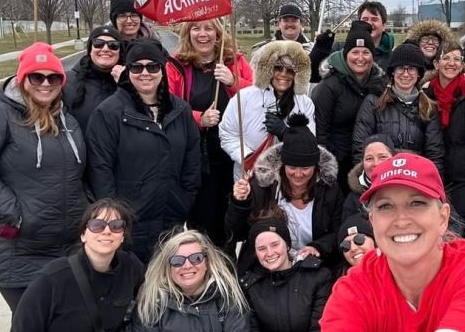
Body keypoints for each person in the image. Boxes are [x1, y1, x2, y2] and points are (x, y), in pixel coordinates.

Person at [0, 42, 88, 312]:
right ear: (22, 79)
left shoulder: (67, 121)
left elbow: (78, 173)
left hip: (63, 244)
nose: (45, 83)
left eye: (53, 77)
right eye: (36, 76)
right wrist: (17, 214)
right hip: (16, 247)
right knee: (32, 321)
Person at [320, 153, 465, 331]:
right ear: (372, 222)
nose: (401, 220)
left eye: (417, 203)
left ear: (443, 218)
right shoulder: (354, 289)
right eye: (386, 206)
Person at [87, 39, 201, 262]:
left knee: (167, 284)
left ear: (162, 70)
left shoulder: (180, 110)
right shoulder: (109, 113)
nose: (145, 73)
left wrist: (185, 197)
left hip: (171, 217)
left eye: (153, 66)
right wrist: (115, 216)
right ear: (128, 71)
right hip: (130, 222)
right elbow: (100, 169)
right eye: (137, 67)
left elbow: (192, 159)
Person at [165, 19, 253, 246]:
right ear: (187, 32)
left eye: (209, 28)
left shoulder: (235, 61)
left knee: (233, 216)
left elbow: (257, 95)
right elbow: (167, 104)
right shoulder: (176, 65)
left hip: (233, 155)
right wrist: (198, 119)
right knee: (204, 219)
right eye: (196, 28)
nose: (202, 34)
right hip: (199, 155)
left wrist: (233, 81)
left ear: (218, 33)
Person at [225, 114, 343, 275]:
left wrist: (318, 247)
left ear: (316, 168)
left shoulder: (330, 190)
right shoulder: (262, 186)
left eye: (306, 168)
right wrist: (239, 202)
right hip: (266, 266)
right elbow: (236, 232)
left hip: (312, 266)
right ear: (283, 165)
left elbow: (338, 233)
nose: (299, 174)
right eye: (292, 167)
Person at [11, 198, 145, 332]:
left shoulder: (131, 267)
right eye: (97, 225)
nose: (106, 231)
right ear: (83, 235)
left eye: (116, 226)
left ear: (122, 236)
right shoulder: (52, 278)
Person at [220, 40, 316, 181]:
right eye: (278, 68)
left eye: (290, 70)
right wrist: (248, 157)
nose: (283, 74)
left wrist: (286, 133)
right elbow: (227, 133)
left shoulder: (305, 103)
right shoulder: (244, 97)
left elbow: (310, 142)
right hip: (249, 175)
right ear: (268, 68)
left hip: (289, 179)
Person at [311, 21, 387, 194]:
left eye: (366, 52)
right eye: (355, 52)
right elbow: (320, 133)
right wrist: (327, 169)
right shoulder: (329, 86)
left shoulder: (379, 84)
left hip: (368, 163)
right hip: (337, 164)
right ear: (346, 55)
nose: (360, 58)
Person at [425, 41, 465, 232]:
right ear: (436, 63)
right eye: (446, 58)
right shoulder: (427, 92)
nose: (451, 63)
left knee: (456, 229)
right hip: (439, 173)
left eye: (457, 59)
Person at [129, 229, 250, 331]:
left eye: (196, 258)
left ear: (207, 263)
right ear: (168, 268)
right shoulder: (152, 302)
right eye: (177, 260)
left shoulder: (228, 299)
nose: (187, 266)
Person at [352, 44, 445, 176]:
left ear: (419, 74)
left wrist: (431, 180)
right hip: (381, 175)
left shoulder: (428, 107)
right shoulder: (374, 102)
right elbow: (360, 147)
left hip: (416, 176)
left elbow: (435, 152)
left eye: (411, 69)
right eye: (400, 68)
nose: (405, 74)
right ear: (392, 72)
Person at [240, 213, 334, 331]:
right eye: (262, 248)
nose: (269, 253)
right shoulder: (250, 286)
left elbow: (320, 327)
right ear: (255, 253)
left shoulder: (318, 276)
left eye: (275, 245)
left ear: (287, 245)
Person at [63, 26, 124, 131]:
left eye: (113, 45)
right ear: (90, 49)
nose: (105, 49)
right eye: (98, 43)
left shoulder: (133, 80)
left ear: (120, 52)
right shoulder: (66, 81)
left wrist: (125, 84)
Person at [341, 134, 395, 221]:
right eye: (369, 158)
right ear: (362, 163)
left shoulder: (408, 189)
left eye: (382, 157)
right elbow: (347, 229)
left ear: (394, 158)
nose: (376, 164)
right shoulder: (353, 199)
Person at [250, 4, 310, 71]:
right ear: (279, 24)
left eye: (294, 20)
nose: (290, 24)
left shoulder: (312, 50)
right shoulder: (264, 50)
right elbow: (251, 76)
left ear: (301, 24)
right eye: (286, 20)